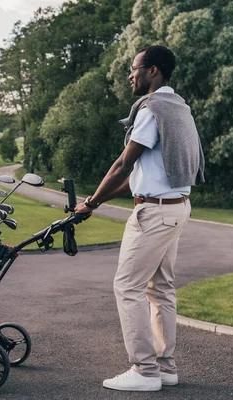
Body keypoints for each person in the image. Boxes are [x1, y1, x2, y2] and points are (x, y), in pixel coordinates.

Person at [75, 45, 205, 391]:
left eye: (135, 68)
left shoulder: (151, 110)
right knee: (160, 288)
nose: (130, 74)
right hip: (176, 206)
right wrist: (98, 201)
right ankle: (165, 368)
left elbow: (123, 165)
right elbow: (142, 178)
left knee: (127, 287)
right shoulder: (179, 108)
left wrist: (91, 201)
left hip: (155, 214)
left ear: (153, 71)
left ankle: (144, 370)